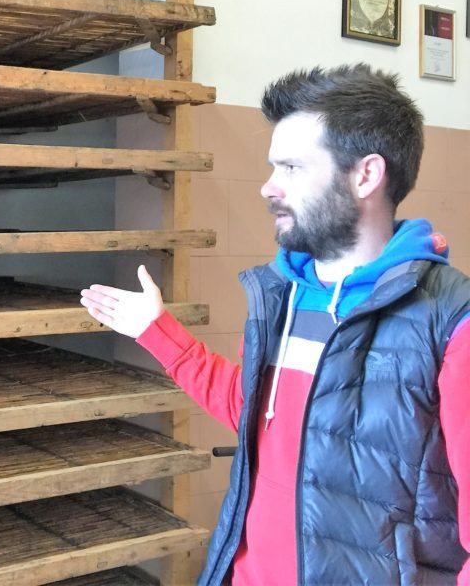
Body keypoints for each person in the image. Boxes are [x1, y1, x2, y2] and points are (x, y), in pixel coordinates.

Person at [80, 64, 469, 585]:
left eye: (290, 168)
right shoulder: (283, 297)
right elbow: (255, 412)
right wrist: (157, 330)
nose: (267, 187)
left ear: (366, 175)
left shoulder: (451, 324)